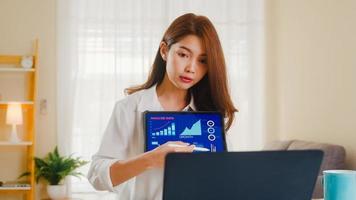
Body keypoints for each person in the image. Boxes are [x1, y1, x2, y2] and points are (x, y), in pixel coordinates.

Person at [88, 13, 237, 200]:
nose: (191, 67)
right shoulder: (129, 108)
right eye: (183, 54)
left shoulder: (211, 115)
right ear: (164, 51)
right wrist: (150, 159)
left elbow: (226, 175)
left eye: (202, 60)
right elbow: (96, 176)